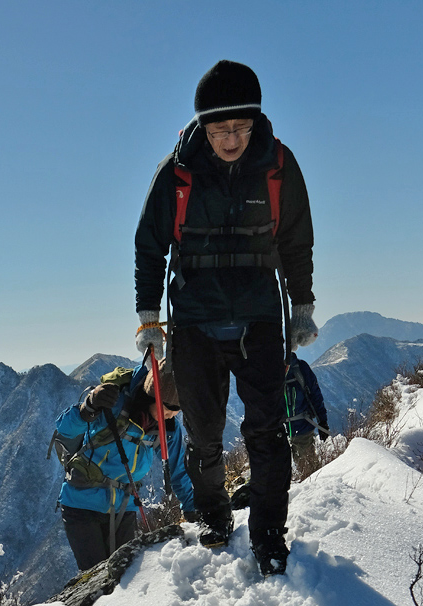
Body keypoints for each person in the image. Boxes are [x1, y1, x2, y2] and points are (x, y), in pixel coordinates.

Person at [134, 59, 316, 575]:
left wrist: (301, 305)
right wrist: (149, 318)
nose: (231, 139)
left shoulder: (279, 166)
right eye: (220, 129)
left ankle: (268, 535)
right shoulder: (177, 175)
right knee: (204, 432)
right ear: (201, 127)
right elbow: (149, 247)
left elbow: (296, 241)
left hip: (260, 320)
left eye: (240, 127)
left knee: (267, 431)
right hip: (193, 323)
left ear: (255, 122)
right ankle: (215, 517)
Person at [52, 361, 194, 571]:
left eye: (178, 409)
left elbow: (178, 470)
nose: (173, 414)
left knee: (126, 574)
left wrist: (192, 508)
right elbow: (65, 429)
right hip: (82, 504)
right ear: (153, 395)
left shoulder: (169, 429)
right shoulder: (114, 404)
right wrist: (89, 407)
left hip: (124, 506)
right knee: (96, 575)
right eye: (169, 407)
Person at [285, 352, 329, 460]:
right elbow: (315, 395)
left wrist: (322, 422)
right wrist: (322, 421)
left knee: (307, 473)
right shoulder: (300, 368)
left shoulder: (300, 368)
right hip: (300, 429)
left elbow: (315, 395)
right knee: (307, 471)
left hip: (290, 431)